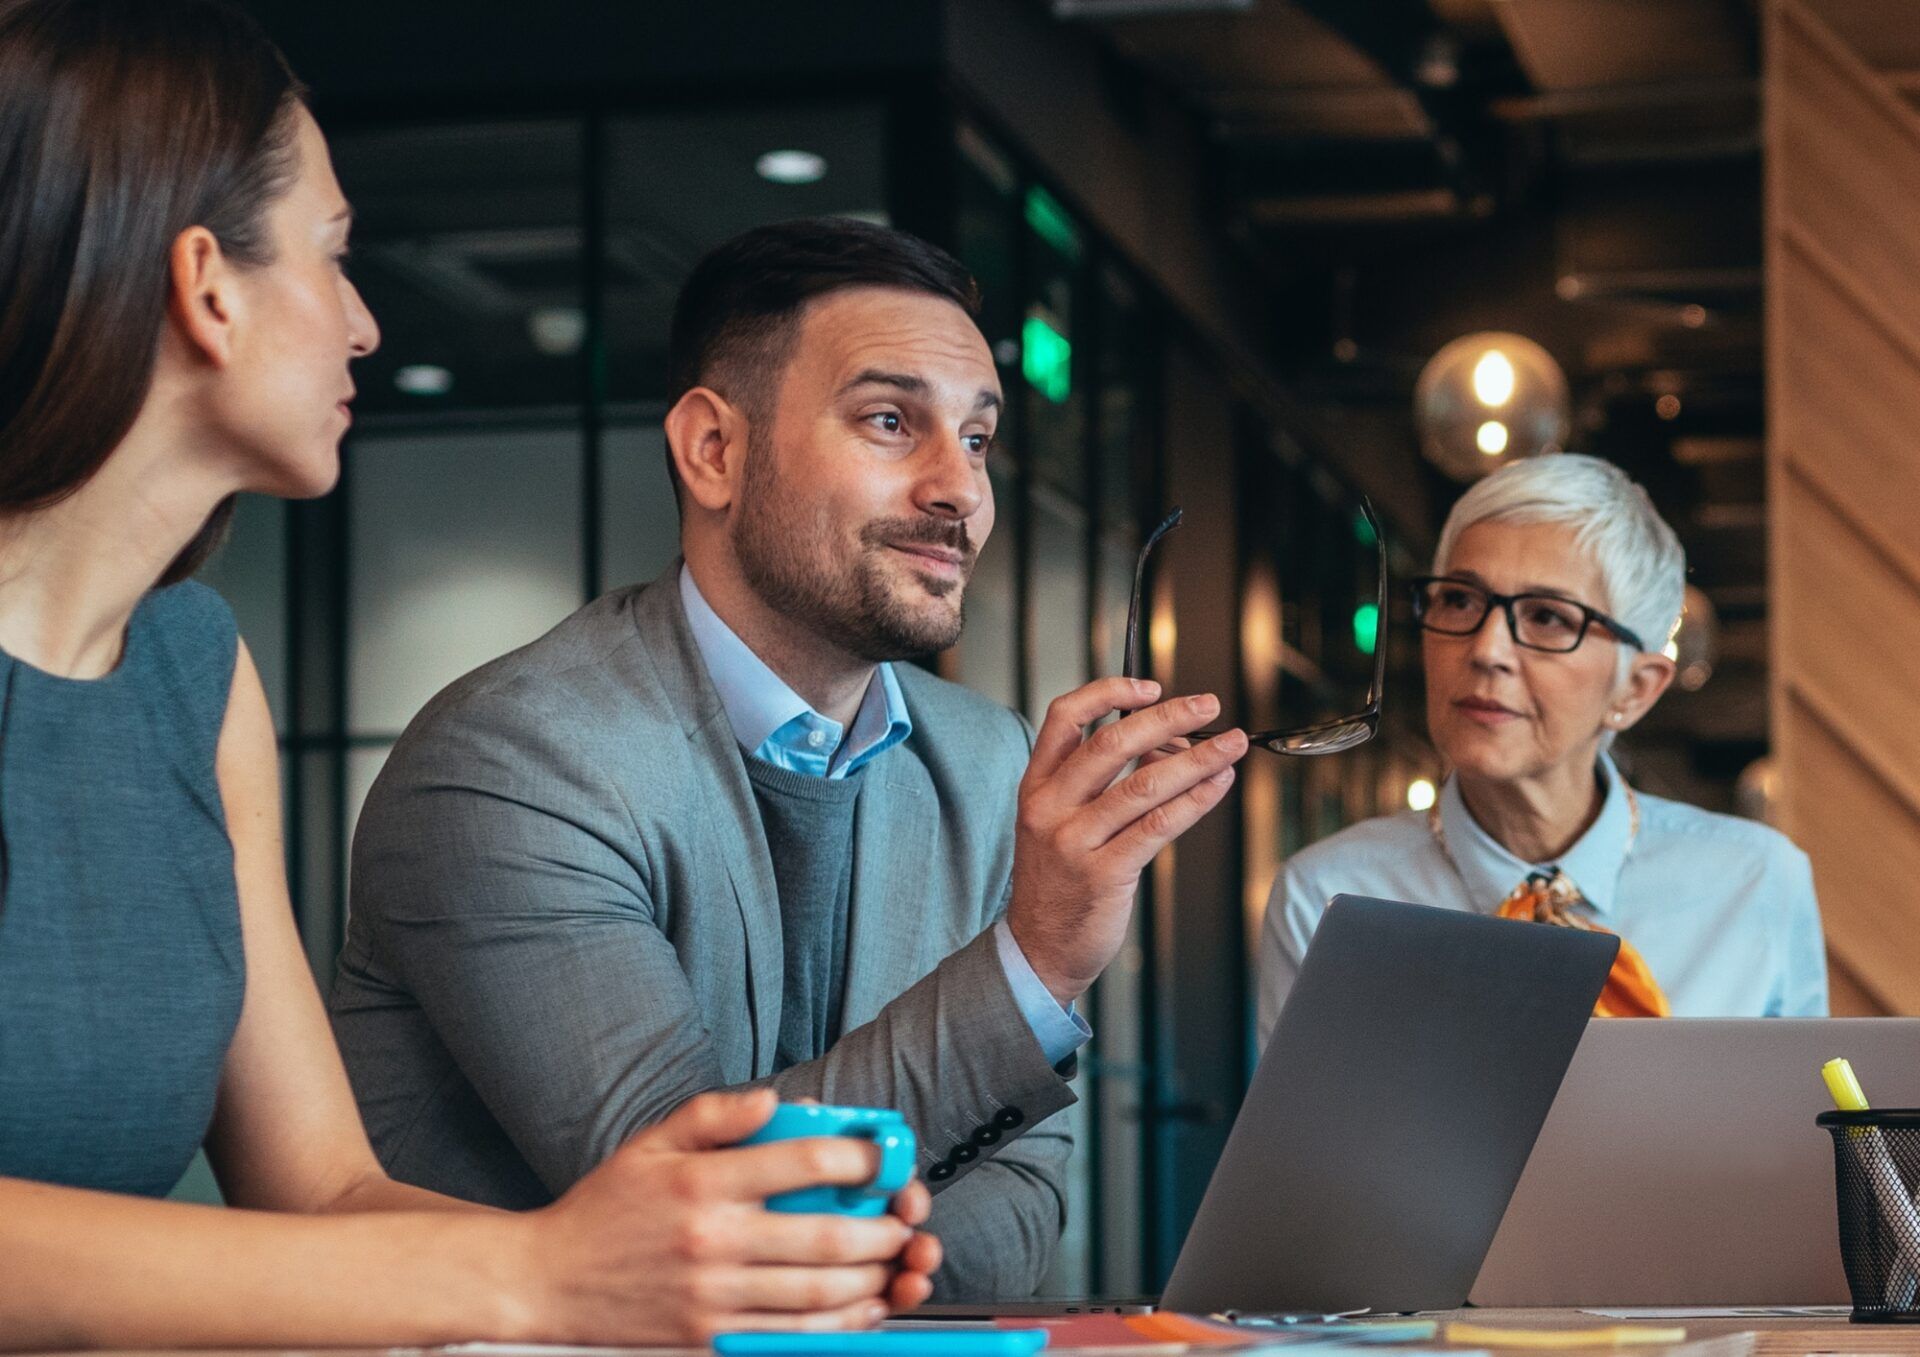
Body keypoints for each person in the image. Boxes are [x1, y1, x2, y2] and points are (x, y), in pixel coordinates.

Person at [0, 0, 942, 1345]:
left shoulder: (194, 675)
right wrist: (538, 1278)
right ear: (206, 285)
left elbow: (320, 1192)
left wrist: (667, 1265)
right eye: (331, 256)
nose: (366, 324)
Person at [329, 217, 1249, 1299]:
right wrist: (1035, 964)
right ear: (714, 450)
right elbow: (707, 1206)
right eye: (892, 420)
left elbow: (1025, 1192)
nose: (961, 488)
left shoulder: (989, 757)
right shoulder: (515, 760)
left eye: (980, 438)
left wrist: (835, 1267)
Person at [1257, 453, 1827, 1041]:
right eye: (1459, 600)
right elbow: (1303, 1136)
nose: (1487, 650)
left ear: (1635, 689)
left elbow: (1806, 1128)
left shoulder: (1757, 883)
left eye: (1549, 617)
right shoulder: (1327, 897)